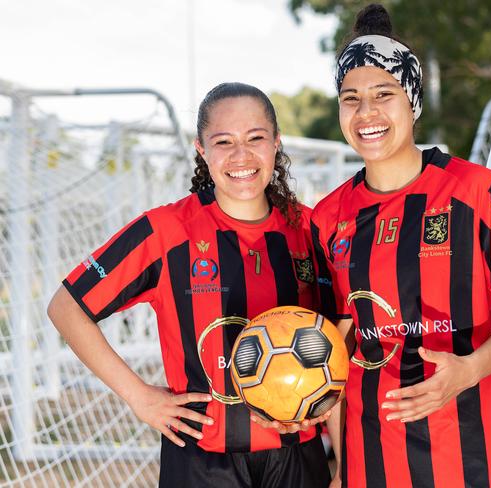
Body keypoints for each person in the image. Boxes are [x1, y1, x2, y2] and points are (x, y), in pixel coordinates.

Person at [47, 82, 332, 488]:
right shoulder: (166, 231)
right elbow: (66, 307)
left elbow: (338, 341)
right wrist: (139, 397)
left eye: (255, 138)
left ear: (276, 144)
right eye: (223, 141)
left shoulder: (309, 229)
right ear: (201, 149)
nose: (241, 155)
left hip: (299, 459)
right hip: (201, 460)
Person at [310, 5, 491, 487]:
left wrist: (468, 370)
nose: (367, 113)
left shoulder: (475, 191)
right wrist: (339, 465)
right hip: (370, 455)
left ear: (412, 100)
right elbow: (332, 352)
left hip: (470, 449)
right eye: (350, 98)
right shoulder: (328, 217)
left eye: (383, 94)